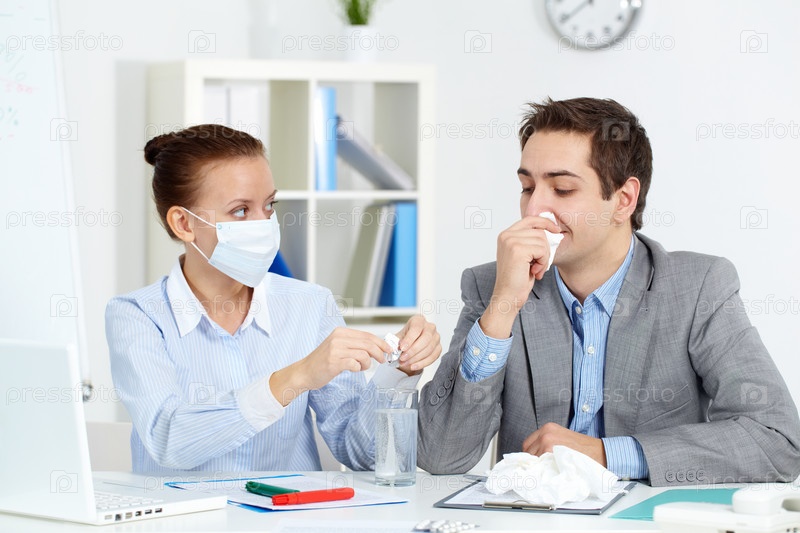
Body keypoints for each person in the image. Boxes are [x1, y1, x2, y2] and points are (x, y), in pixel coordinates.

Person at [417, 97, 800, 486]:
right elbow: (441, 455)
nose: (534, 210)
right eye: (527, 187)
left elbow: (777, 440)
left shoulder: (698, 287)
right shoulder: (493, 286)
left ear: (623, 200)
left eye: (562, 189)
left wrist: (604, 455)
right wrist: (502, 307)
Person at [107, 124, 441, 473]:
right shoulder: (138, 315)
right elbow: (168, 440)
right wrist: (295, 378)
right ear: (184, 223)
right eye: (240, 210)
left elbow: (361, 453)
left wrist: (399, 371)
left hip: (287, 507)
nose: (264, 223)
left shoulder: (310, 305)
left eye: (269, 206)